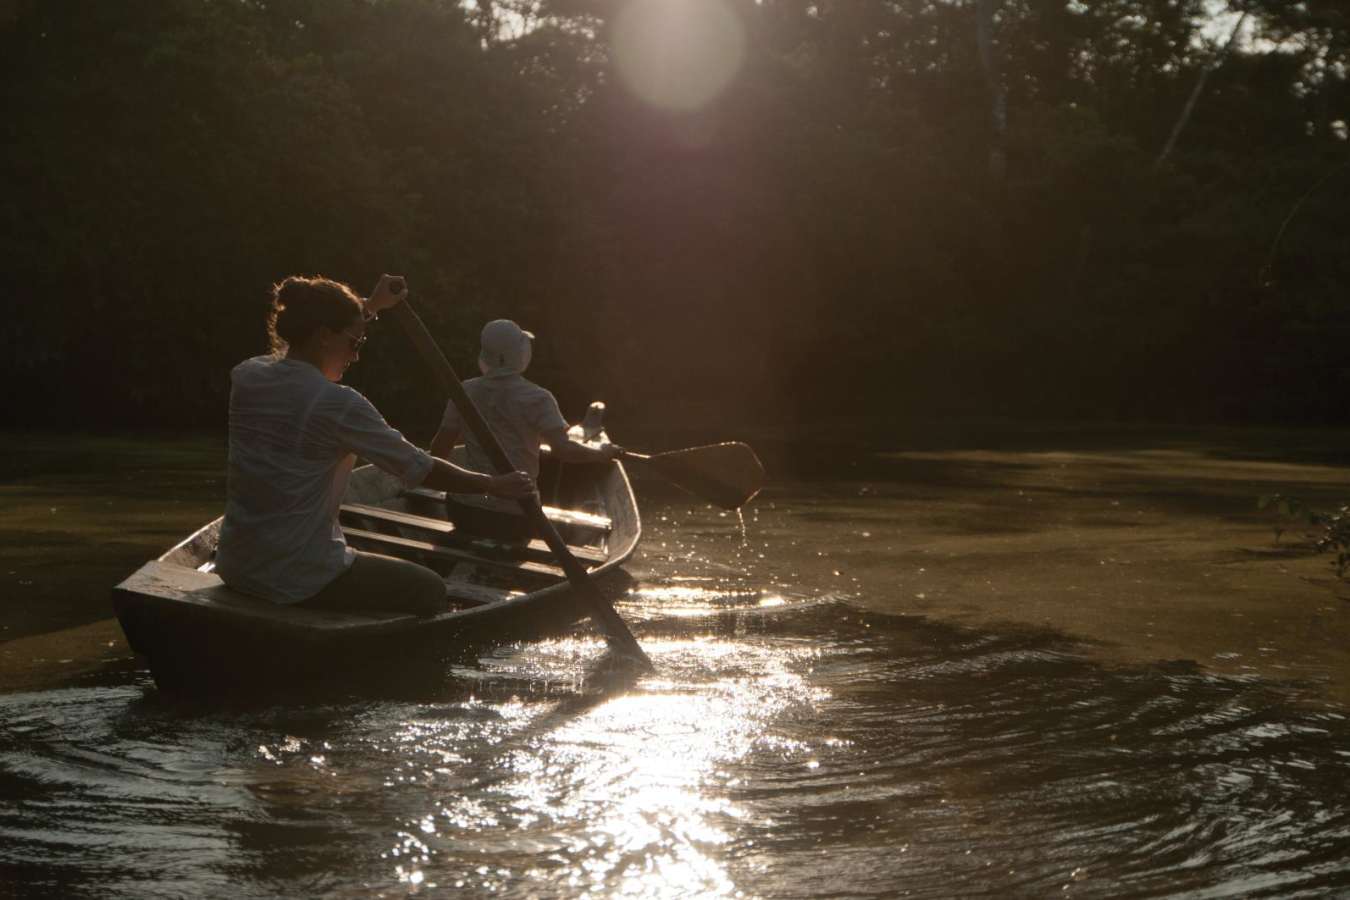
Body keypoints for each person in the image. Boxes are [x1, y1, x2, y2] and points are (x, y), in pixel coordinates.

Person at [214, 274, 535, 617]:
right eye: (356, 343)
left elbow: (304, 346)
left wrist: (370, 307)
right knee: (429, 588)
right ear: (324, 337)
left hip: (236, 565)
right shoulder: (337, 404)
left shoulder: (247, 376)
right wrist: (492, 485)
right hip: (299, 577)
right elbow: (419, 467)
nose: (355, 356)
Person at [428, 319, 620, 537]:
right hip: (517, 518)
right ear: (519, 354)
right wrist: (601, 453)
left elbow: (438, 451)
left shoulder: (464, 391)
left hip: (463, 513)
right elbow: (564, 451)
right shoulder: (539, 398)